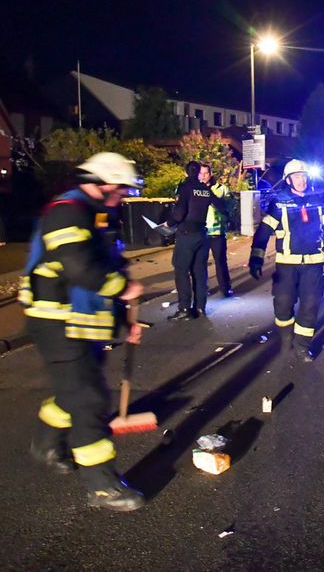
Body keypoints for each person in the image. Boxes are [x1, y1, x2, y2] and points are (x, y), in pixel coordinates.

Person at [20, 151, 146, 511]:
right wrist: (122, 288)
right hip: (57, 322)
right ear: (103, 182)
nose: (123, 195)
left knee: (73, 391)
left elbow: (106, 264)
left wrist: (125, 323)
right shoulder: (67, 211)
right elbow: (80, 267)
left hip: (77, 322)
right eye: (121, 189)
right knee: (89, 399)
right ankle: (102, 487)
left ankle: (46, 445)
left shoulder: (95, 215)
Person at [249, 159, 324, 361]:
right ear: (288, 180)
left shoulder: (318, 201)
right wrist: (256, 258)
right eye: (297, 176)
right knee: (283, 304)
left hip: (314, 263)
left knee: (310, 304)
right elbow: (263, 231)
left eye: (304, 176)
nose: (301, 180)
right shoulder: (279, 203)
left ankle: (302, 346)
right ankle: (287, 335)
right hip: (287, 263)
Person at [164, 161, 218, 321]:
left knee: (181, 270)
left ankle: (185, 308)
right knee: (199, 272)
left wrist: (169, 223)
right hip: (202, 234)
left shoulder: (186, 187)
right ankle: (200, 307)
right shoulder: (206, 190)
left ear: (186, 173)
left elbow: (179, 213)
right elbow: (221, 205)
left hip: (186, 235)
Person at [200, 163, 234, 297]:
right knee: (200, 263)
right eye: (201, 173)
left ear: (211, 174)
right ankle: (202, 289)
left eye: (206, 173)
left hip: (217, 232)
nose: (203, 176)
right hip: (201, 231)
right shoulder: (195, 190)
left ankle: (225, 288)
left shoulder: (221, 189)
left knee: (220, 261)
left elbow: (229, 207)